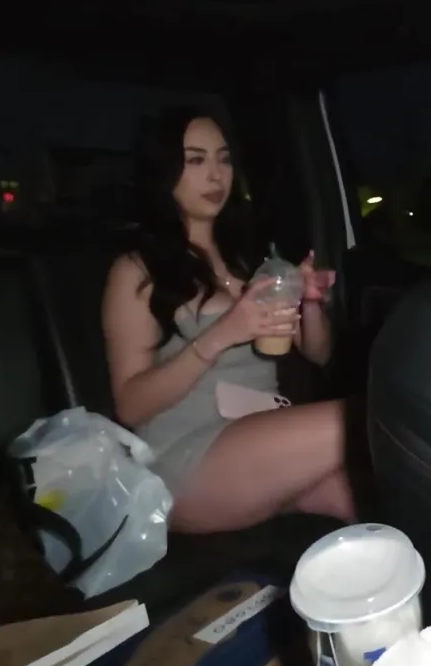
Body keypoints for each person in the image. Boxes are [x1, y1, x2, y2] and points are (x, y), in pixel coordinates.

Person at [102, 107, 356, 534]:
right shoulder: (137, 271)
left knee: (380, 504)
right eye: (196, 160)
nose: (216, 175)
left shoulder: (249, 261)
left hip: (260, 441)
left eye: (223, 159)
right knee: (366, 419)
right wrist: (222, 334)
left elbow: (318, 353)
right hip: (187, 459)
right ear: (164, 171)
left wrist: (308, 303)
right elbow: (129, 404)